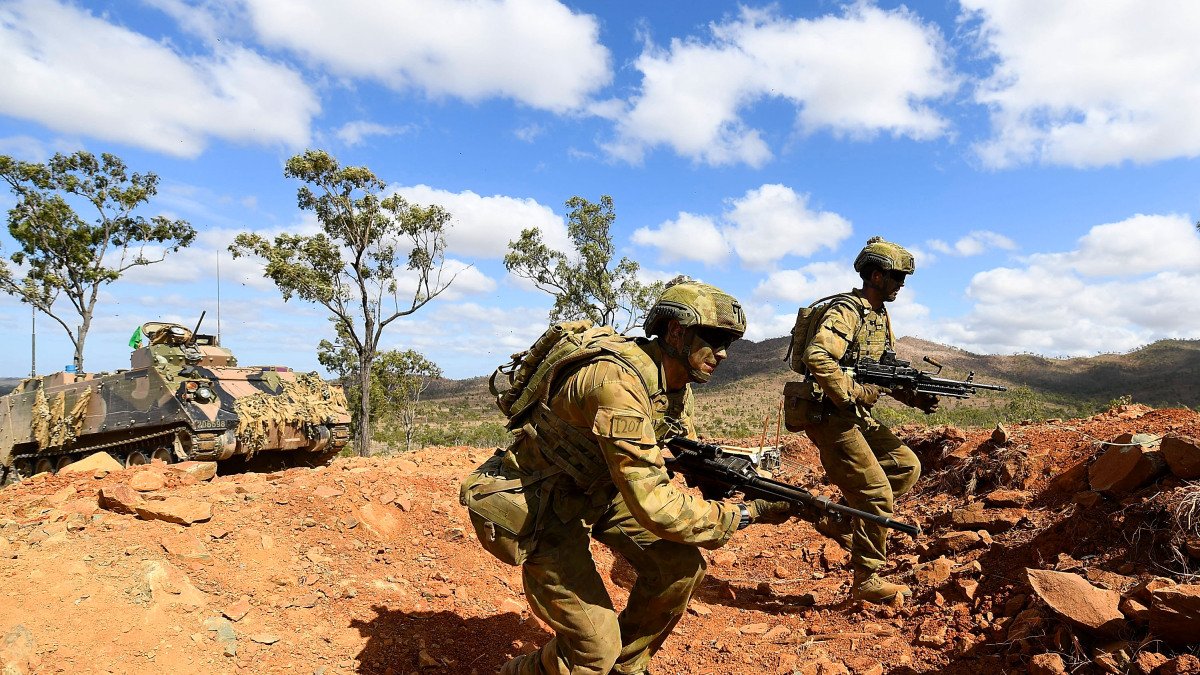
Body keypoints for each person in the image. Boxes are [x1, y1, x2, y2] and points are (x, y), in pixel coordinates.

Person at [491, 279, 792, 675]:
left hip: (599, 490)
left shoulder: (674, 385)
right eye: (715, 339)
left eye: (729, 343)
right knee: (594, 651)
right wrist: (745, 513)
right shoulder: (615, 383)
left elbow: (683, 449)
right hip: (541, 505)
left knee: (678, 567)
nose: (722, 353)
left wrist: (735, 476)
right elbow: (655, 505)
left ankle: (626, 667)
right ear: (676, 331)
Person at [793, 236, 938, 604]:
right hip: (830, 415)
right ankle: (867, 579)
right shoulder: (847, 310)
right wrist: (855, 393)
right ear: (876, 276)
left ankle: (842, 519)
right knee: (876, 494)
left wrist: (915, 396)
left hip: (854, 414)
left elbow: (881, 374)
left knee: (905, 466)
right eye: (896, 277)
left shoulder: (879, 316)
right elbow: (817, 356)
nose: (901, 284)